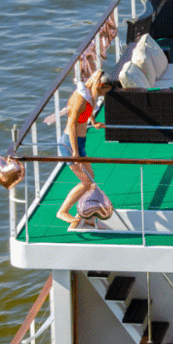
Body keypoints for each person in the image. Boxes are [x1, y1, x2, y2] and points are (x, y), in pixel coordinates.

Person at [56, 69, 113, 228]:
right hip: (70, 144)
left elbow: (88, 111)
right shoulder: (80, 98)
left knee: (90, 180)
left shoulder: (89, 95)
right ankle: (63, 211)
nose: (102, 96)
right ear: (99, 86)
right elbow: (72, 125)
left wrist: (94, 123)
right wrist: (75, 153)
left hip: (80, 142)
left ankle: (87, 215)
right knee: (87, 182)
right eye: (103, 92)